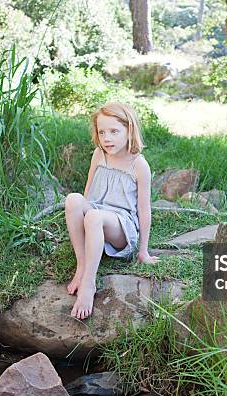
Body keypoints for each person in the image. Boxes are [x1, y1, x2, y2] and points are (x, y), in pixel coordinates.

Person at [64, 102, 159, 320]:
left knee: (95, 216)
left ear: (129, 130)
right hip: (96, 214)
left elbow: (144, 211)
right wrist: (82, 218)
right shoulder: (99, 154)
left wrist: (143, 251)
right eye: (102, 132)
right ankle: (82, 265)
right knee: (73, 199)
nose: (107, 138)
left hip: (121, 226)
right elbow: (88, 192)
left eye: (114, 131)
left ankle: (89, 282)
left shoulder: (139, 164)